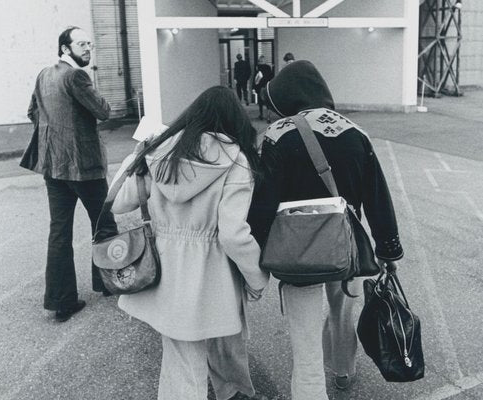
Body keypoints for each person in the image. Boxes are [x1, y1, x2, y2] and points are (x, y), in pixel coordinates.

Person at [248, 61, 403, 399]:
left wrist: (252, 257)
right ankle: (344, 372)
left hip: (295, 252)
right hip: (343, 245)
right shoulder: (354, 132)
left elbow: (261, 205)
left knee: (305, 346)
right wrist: (388, 250)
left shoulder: (276, 136)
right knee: (342, 310)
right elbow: (377, 196)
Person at [110, 86, 269, 400]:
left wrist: (138, 155)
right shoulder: (236, 160)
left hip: (166, 275)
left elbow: (116, 202)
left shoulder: (160, 154)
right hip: (215, 277)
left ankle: (233, 391)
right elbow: (234, 234)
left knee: (183, 362)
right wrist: (256, 278)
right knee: (225, 340)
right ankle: (233, 391)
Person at [20, 26, 117, 322]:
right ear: (65, 48)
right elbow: (104, 111)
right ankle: (109, 282)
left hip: (54, 167)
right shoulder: (76, 76)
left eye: (89, 43)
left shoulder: (44, 75)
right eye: (81, 44)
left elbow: (32, 112)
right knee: (104, 223)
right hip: (84, 167)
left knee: (59, 232)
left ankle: (61, 300)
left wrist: (57, 135)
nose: (88, 48)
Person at [252, 55, 274, 122]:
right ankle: (268, 116)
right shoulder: (268, 67)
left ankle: (261, 115)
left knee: (260, 102)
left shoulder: (257, 67)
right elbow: (271, 77)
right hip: (266, 86)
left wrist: (253, 87)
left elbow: (255, 78)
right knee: (268, 102)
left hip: (259, 86)